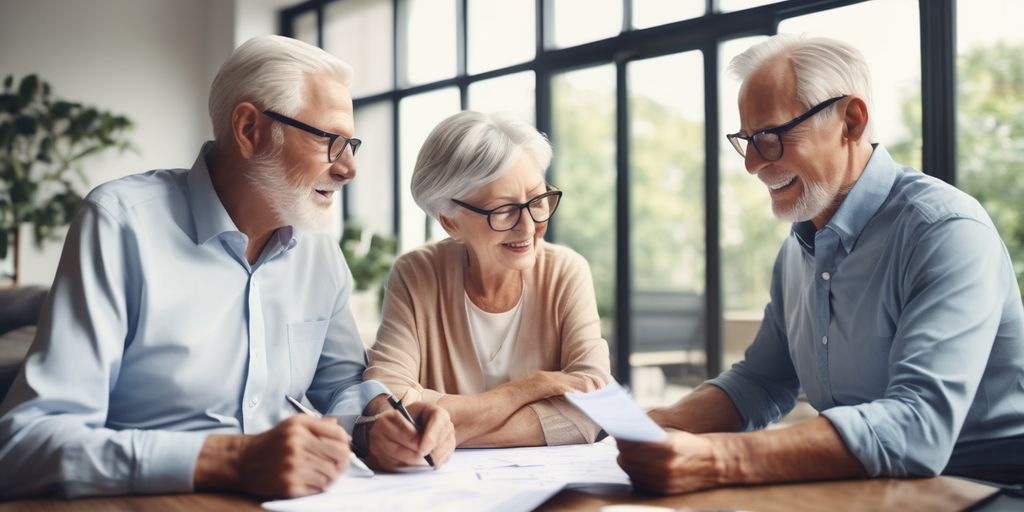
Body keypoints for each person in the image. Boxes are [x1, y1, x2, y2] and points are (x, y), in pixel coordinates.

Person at [0, 35, 454, 499]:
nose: (349, 168)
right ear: (249, 129)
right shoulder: (120, 225)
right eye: (330, 141)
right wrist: (231, 459)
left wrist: (381, 419)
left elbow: (338, 386)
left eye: (351, 143)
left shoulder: (320, 253)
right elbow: (24, 443)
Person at [617, 34, 1024, 493]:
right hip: (874, 487)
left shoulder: (945, 230)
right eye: (746, 140)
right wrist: (663, 424)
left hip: (986, 488)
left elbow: (918, 427)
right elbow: (762, 381)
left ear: (850, 121)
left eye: (769, 137)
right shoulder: (798, 249)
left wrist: (718, 458)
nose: (752, 164)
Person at [363, 111, 611, 448]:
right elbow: (389, 398)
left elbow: (594, 406)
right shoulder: (417, 274)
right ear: (450, 222)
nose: (529, 227)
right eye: (503, 210)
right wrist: (529, 388)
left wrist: (447, 429)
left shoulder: (565, 272)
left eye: (537, 200)